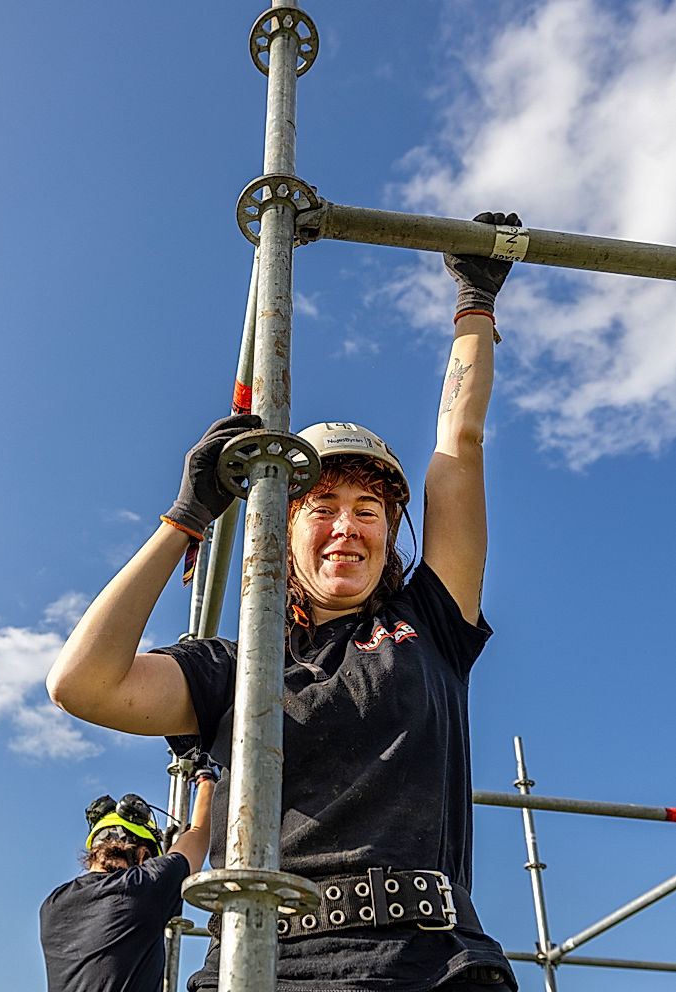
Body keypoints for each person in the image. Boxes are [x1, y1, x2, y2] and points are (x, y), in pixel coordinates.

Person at [47, 211, 521, 991]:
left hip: (423, 967)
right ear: (282, 530)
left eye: (368, 510)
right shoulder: (230, 671)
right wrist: (186, 517)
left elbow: (457, 444)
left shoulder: (428, 623)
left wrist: (474, 302)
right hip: (258, 966)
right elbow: (81, 684)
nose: (346, 527)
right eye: (321, 507)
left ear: (391, 532)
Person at [40, 764, 217, 992]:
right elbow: (199, 832)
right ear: (143, 855)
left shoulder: (52, 905)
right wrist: (206, 776)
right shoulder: (142, 888)